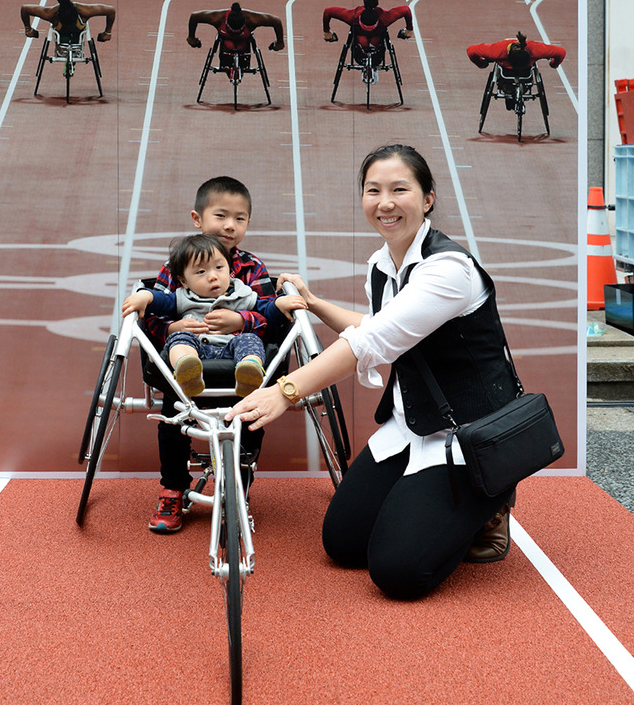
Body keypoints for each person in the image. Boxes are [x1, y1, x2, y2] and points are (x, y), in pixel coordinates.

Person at [227, 143, 522, 600]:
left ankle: (491, 500)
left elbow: (374, 341)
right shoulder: (382, 265)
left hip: (469, 434)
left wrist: (284, 391)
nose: (385, 203)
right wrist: (314, 303)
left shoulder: (448, 270)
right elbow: (379, 326)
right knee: (343, 543)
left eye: (399, 189)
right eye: (373, 190)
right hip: (413, 425)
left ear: (427, 198)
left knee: (399, 573)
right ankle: (435, 507)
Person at [140, 176, 279, 534]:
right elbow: (153, 314)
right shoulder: (176, 265)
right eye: (221, 216)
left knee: (250, 413)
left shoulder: (253, 268)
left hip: (238, 363)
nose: (230, 225)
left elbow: (271, 316)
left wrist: (241, 320)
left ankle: (238, 488)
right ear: (197, 219)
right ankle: (173, 488)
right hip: (187, 366)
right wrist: (172, 327)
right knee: (173, 417)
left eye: (240, 218)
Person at [123, 233, 304, 399]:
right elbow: (159, 301)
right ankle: (186, 369)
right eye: (201, 272)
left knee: (250, 340)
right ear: (184, 281)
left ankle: (249, 370)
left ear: (229, 270)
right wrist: (145, 296)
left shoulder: (243, 294)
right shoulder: (182, 297)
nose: (213, 276)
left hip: (233, 349)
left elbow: (267, 310)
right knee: (179, 338)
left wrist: (280, 303)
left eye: (219, 268)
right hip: (196, 350)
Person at [322, 0, 413, 57]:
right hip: (359, 45)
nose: (368, 30)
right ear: (360, 21)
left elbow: (406, 10)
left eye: (371, 27)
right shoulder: (353, 16)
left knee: (374, 41)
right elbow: (328, 11)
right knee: (363, 41)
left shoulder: (384, 18)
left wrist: (409, 29)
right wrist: (326, 32)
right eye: (366, 27)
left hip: (377, 44)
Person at [187, 2, 285, 55]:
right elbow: (194, 16)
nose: (235, 33)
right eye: (232, 30)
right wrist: (191, 37)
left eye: (238, 31)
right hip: (225, 40)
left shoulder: (252, 19)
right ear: (226, 22)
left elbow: (276, 21)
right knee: (228, 45)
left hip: (244, 41)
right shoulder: (217, 18)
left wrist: (280, 42)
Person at [20, 0, 115, 44]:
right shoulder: (51, 13)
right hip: (62, 30)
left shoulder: (85, 11)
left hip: (74, 29)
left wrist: (108, 32)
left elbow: (111, 10)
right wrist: (28, 29)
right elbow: (24, 8)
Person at [466, 31, 566, 74]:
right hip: (523, 67)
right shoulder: (536, 49)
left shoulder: (495, 52)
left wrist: (481, 63)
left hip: (512, 66)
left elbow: (471, 50)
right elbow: (561, 52)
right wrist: (554, 64)